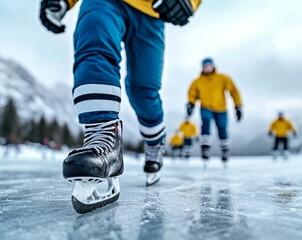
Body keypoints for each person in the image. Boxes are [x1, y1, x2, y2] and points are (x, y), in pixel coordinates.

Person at [39, 0, 202, 214]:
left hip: (152, 11)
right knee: (94, 46)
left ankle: (154, 145)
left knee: (143, 89)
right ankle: (102, 136)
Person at [186, 58, 242, 165]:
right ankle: (205, 148)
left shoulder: (222, 78)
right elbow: (192, 93)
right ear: (202, 68)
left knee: (222, 128)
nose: (207, 68)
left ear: (213, 66)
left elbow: (234, 91)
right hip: (205, 106)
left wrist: (238, 106)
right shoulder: (197, 81)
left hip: (221, 108)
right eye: (205, 66)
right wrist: (191, 104)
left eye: (209, 65)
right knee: (206, 122)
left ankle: (225, 150)